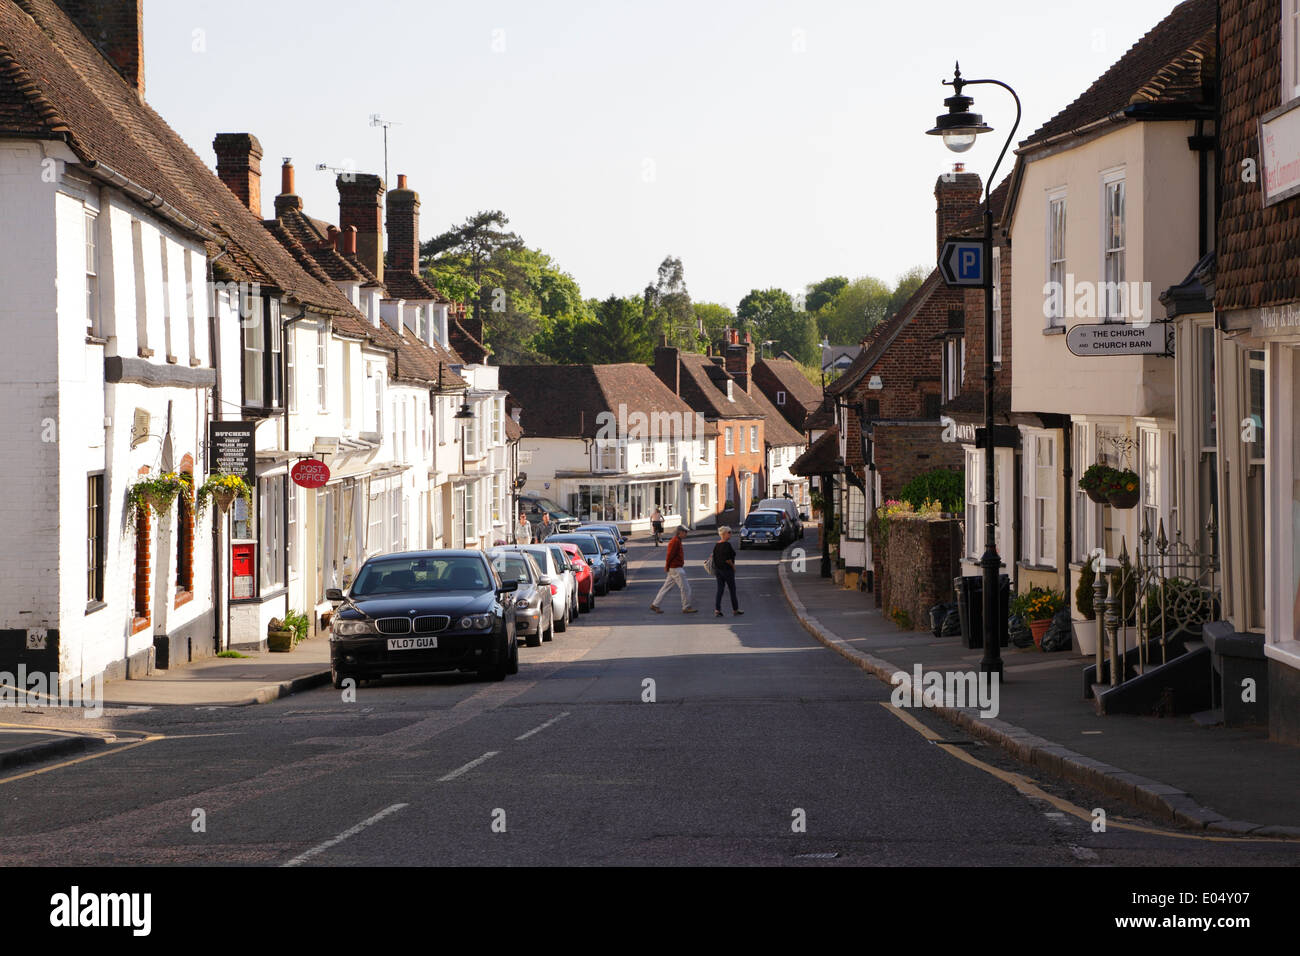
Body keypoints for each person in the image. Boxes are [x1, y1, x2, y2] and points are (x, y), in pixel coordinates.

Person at [650, 526, 696, 614]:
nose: (686, 534)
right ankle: (686, 607)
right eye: (685, 532)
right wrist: (667, 566)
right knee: (686, 588)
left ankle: (655, 604)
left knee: (666, 587)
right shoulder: (675, 541)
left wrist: (668, 566)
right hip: (676, 568)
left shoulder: (677, 541)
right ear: (680, 532)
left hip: (674, 568)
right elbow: (670, 555)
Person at [712, 526, 742, 617]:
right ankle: (735, 609)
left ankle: (717, 609)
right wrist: (733, 567)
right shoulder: (727, 545)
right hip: (727, 570)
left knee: (720, 590)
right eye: (729, 532)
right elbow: (728, 559)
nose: (730, 534)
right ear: (724, 534)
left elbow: (714, 557)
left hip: (718, 570)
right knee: (732, 590)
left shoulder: (717, 545)